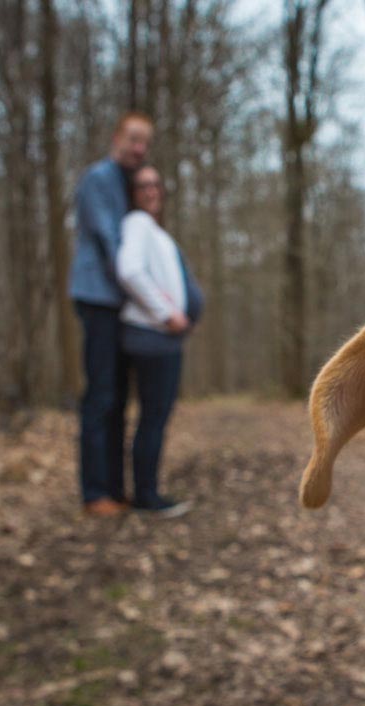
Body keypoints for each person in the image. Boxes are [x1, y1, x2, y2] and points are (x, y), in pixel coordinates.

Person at [70, 112, 154, 517]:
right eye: (134, 140)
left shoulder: (126, 184)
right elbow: (110, 241)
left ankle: (115, 488)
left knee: (119, 397)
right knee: (101, 397)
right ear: (116, 137)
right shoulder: (99, 179)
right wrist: (144, 287)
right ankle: (93, 492)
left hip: (119, 304)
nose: (139, 149)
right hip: (99, 299)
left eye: (145, 143)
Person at [116, 165, 204, 518]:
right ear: (133, 193)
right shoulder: (136, 223)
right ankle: (146, 495)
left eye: (155, 183)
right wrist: (168, 313)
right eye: (142, 185)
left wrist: (184, 313)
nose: (151, 190)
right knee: (153, 418)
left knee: (154, 416)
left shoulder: (151, 229)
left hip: (161, 336)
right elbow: (129, 270)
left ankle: (145, 491)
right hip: (152, 336)